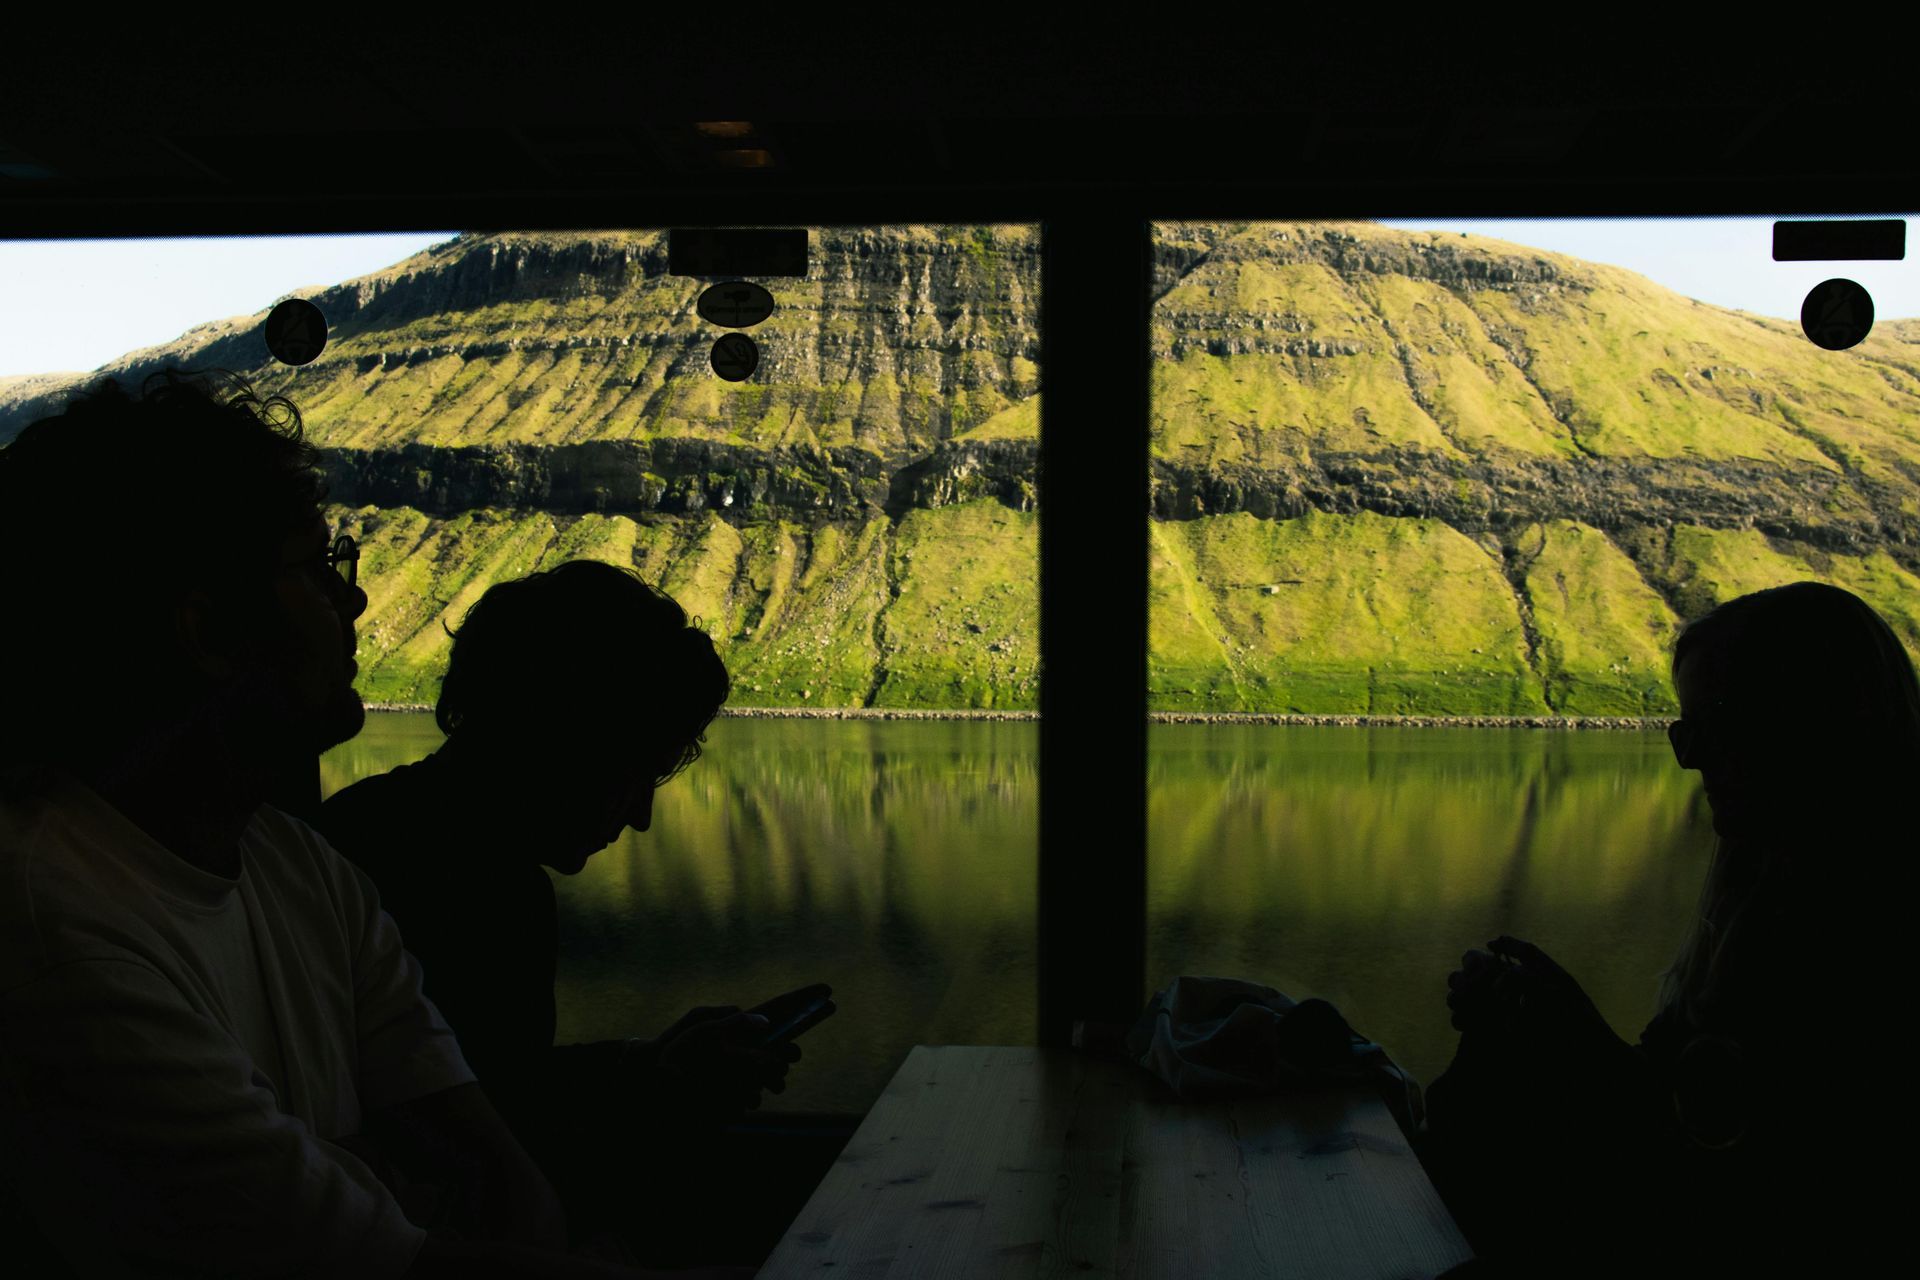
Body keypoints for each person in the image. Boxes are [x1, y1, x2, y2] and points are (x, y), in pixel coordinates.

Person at [0, 370, 746, 1279]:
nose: (354, 602)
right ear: (207, 633)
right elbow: (380, 1260)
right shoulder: (59, 935)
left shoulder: (300, 865)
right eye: (319, 569)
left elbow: (489, 1162)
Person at [315, 560, 819, 1266]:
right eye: (633, 771)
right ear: (565, 738)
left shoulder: (421, 843)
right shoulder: (421, 876)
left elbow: (487, 1085)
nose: (641, 815)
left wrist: (646, 1061)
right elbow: (455, 1140)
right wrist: (653, 1092)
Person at [1422, 581, 1916, 1275]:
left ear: (1817, 720)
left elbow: (1737, 1188)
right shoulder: (1755, 901)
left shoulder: (1874, 952)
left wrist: (1569, 1037)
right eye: (1683, 733)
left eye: (1715, 725)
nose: (1691, 760)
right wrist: (1553, 1017)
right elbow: (1662, 1097)